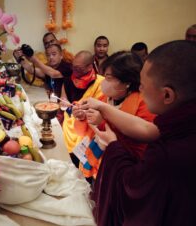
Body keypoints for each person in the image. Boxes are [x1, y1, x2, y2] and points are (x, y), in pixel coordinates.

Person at [78, 40, 196, 225]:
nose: (139, 88)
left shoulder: (168, 153)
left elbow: (134, 187)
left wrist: (114, 146)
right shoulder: (181, 126)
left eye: (142, 84)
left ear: (167, 95)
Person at [74, 51, 155, 182]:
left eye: (108, 78)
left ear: (127, 82)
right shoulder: (105, 98)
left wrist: (102, 121)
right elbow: (81, 133)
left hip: (119, 173)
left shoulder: (144, 105)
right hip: (97, 166)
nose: (103, 82)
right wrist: (81, 117)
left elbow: (140, 150)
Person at [61, 51, 104, 167]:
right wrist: (66, 106)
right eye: (73, 67)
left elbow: (100, 111)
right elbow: (63, 102)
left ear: (89, 67)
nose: (74, 71)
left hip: (86, 131)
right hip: (69, 127)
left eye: (78, 68)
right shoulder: (68, 80)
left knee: (82, 164)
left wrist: (82, 112)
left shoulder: (100, 83)